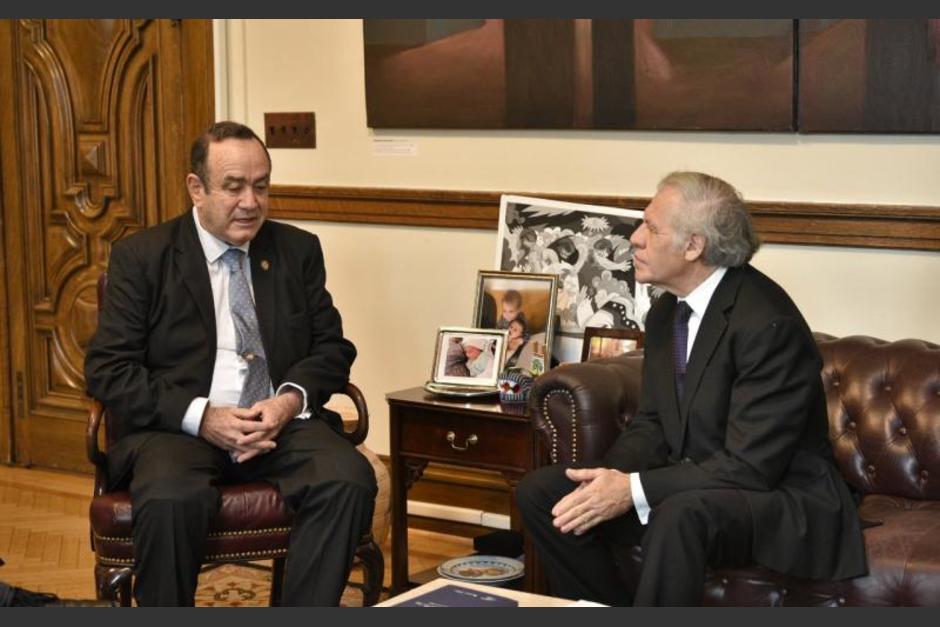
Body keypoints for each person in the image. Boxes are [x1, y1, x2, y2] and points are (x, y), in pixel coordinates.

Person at [517, 171, 867, 606]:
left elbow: (749, 468)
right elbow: (653, 422)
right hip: (702, 481)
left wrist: (633, 491)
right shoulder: (667, 313)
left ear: (694, 246)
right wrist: (610, 481)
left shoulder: (766, 323)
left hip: (779, 495)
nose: (636, 239)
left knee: (678, 513)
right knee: (542, 493)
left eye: (652, 227)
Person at [84, 121, 376, 607]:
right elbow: (109, 370)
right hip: (178, 427)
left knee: (346, 478)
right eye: (234, 187)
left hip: (277, 422)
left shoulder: (296, 250)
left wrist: (287, 402)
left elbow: (332, 349)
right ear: (196, 188)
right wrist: (205, 417)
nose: (251, 202)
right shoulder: (142, 257)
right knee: (171, 498)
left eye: (261, 186)